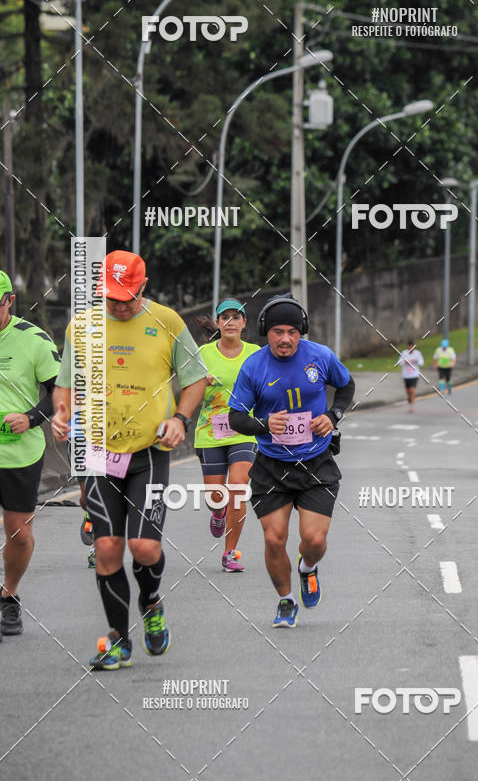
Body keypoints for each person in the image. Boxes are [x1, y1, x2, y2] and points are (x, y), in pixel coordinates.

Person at [52, 250, 207, 670]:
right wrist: (62, 414)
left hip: (150, 452)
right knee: (106, 548)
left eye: (127, 297)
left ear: (144, 286)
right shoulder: (82, 326)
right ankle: (119, 639)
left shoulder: (167, 321)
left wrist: (180, 418)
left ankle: (152, 602)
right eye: (111, 297)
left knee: (143, 546)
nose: (119, 305)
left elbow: (196, 379)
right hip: (100, 453)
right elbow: (65, 383)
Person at [228, 294, 355, 628]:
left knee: (314, 540)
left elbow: (346, 386)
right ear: (265, 332)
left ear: (302, 332)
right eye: (277, 332)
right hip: (271, 466)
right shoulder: (253, 366)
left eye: (292, 332)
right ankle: (285, 601)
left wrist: (333, 415)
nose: (285, 339)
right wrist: (263, 425)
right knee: (274, 539)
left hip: (316, 461)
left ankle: (307, 568)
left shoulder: (321, 357)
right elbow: (236, 417)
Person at [0, 270, 60, 639]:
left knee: (19, 534)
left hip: (19, 453)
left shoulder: (33, 340)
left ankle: (9, 594)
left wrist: (31, 417)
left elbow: (59, 393)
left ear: (9, 301)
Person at [194, 299, 260, 572]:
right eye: (225, 317)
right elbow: (186, 387)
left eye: (236, 317)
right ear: (218, 324)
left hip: (244, 430)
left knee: (238, 487)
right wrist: (200, 382)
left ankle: (230, 552)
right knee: (216, 497)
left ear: (244, 323)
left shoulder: (256, 354)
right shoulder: (203, 353)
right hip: (210, 433)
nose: (230, 321)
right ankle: (218, 513)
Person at [396, 339, 424, 411]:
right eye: (409, 346)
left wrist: (416, 361)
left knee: (412, 389)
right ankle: (409, 397)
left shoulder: (418, 353)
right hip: (406, 375)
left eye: (412, 346)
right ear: (407, 347)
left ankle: (411, 406)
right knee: (408, 390)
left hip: (414, 374)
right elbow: (399, 362)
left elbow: (421, 363)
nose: (411, 348)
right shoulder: (404, 353)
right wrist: (405, 362)